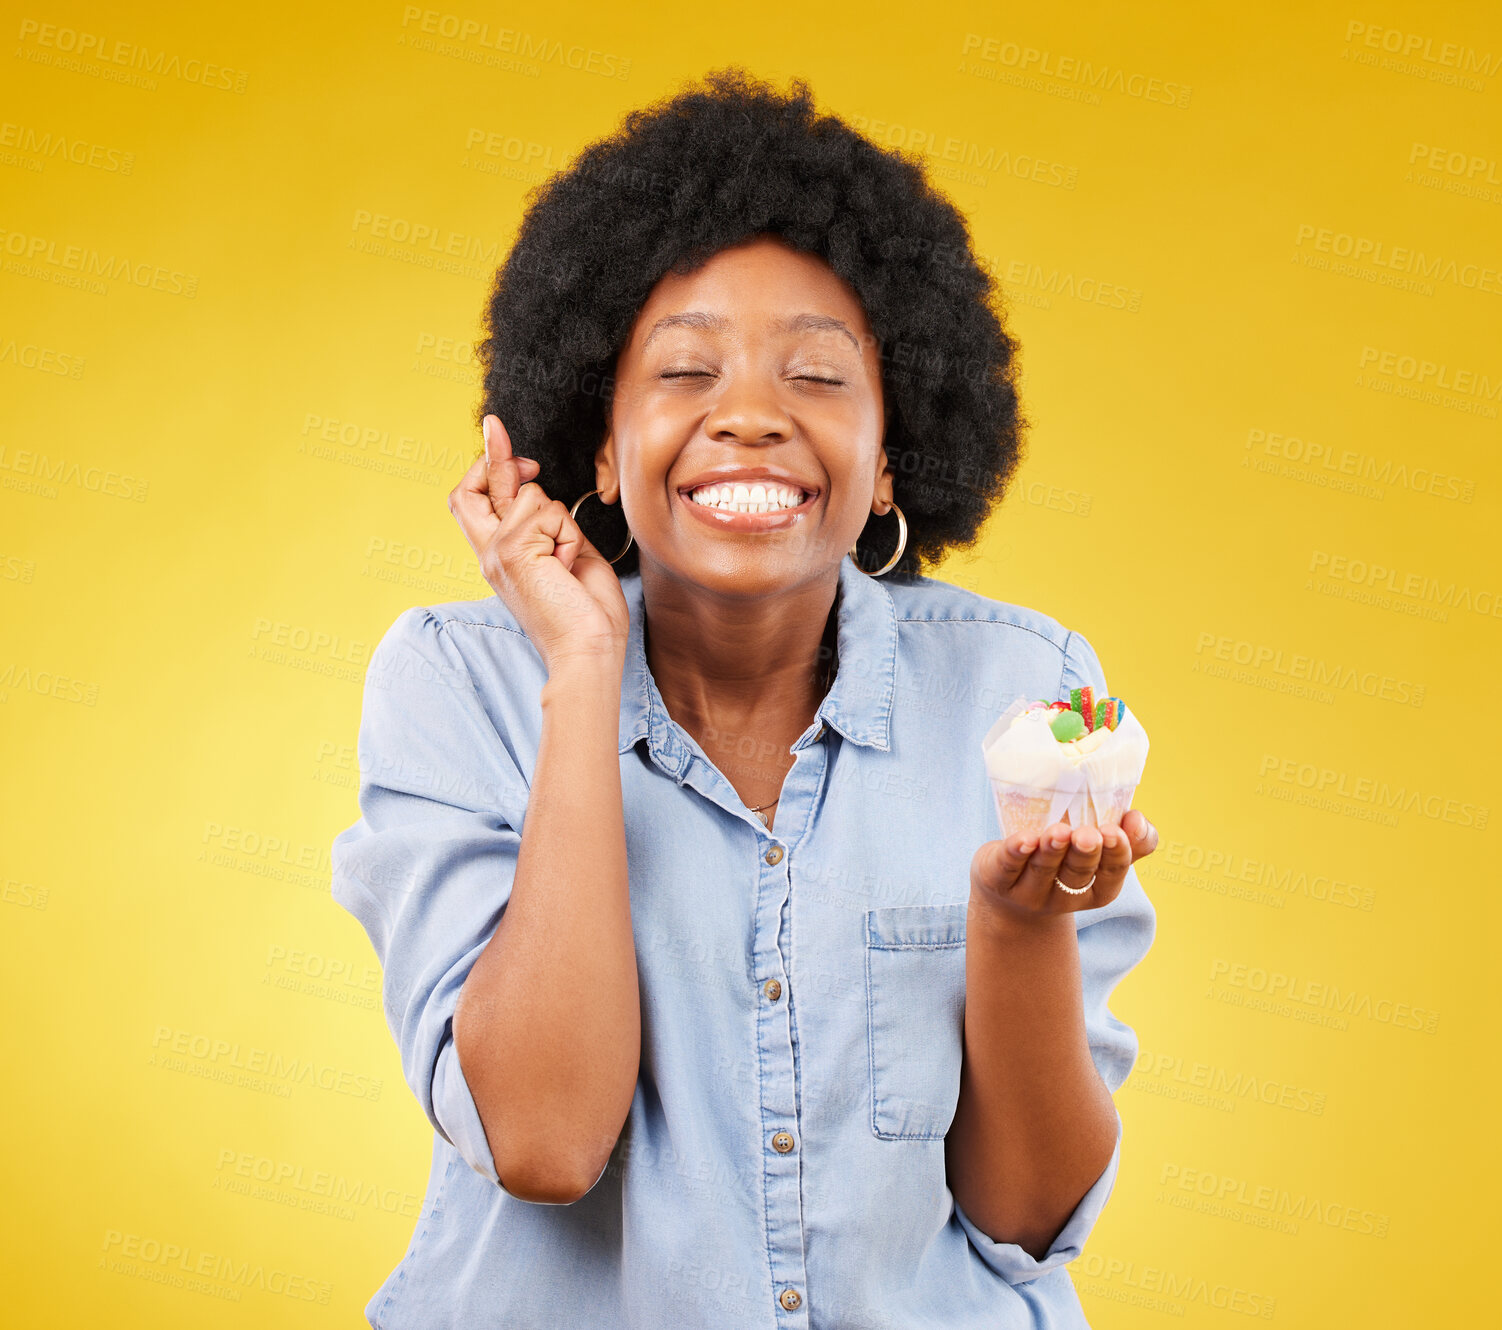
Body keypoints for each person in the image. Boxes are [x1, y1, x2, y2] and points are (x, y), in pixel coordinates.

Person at [332, 68, 1158, 1329]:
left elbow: (1024, 1214)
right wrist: (582, 671)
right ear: (601, 444)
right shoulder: (460, 682)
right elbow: (545, 1141)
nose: (752, 419)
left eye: (817, 378)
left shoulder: (1024, 693)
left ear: (892, 456)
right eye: (683, 372)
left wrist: (1017, 924)